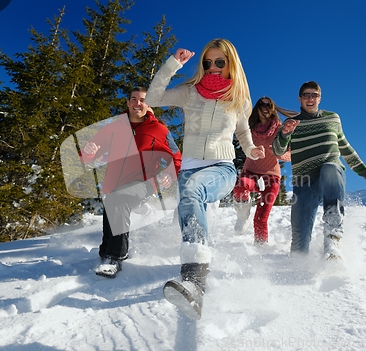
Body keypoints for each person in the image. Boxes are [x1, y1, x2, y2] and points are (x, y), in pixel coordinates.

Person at [145, 38, 265, 320]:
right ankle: (195, 284)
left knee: (194, 189)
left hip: (222, 168)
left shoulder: (239, 99)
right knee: (189, 193)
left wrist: (251, 150)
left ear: (230, 65)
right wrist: (174, 64)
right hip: (189, 169)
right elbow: (153, 98)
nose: (213, 68)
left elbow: (243, 134)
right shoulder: (189, 93)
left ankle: (194, 278)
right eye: (207, 63)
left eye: (219, 63)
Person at [80, 87, 182, 278]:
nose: (137, 103)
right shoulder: (113, 127)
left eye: (142, 100)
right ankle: (106, 251)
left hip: (145, 182)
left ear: (149, 104)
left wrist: (169, 173)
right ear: (127, 103)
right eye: (133, 99)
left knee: (118, 199)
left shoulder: (159, 130)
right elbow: (89, 154)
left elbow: (176, 157)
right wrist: (89, 150)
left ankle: (116, 257)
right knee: (112, 201)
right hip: (114, 183)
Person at [272, 81, 366, 259]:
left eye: (314, 95)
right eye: (306, 95)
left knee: (330, 168)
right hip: (303, 180)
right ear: (300, 98)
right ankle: (299, 272)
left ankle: (332, 239)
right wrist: (284, 134)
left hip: (330, 174)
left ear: (320, 98)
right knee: (299, 246)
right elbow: (277, 151)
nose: (310, 98)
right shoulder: (291, 124)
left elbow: (345, 147)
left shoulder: (332, 118)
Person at [233, 96, 298, 244]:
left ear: (273, 109)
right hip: (251, 172)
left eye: (269, 105)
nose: (265, 107)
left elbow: (290, 154)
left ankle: (261, 249)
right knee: (240, 187)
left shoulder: (281, 130)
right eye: (262, 104)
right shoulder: (248, 128)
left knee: (261, 218)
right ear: (257, 107)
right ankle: (243, 215)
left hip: (271, 177)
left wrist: (280, 154)